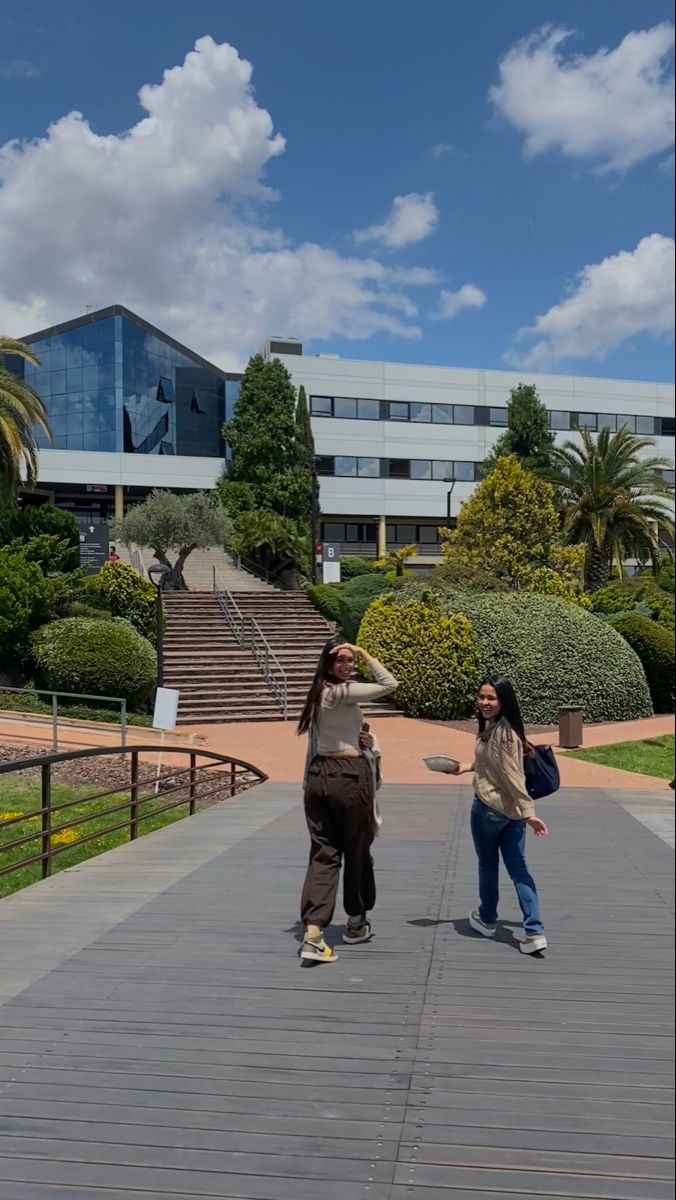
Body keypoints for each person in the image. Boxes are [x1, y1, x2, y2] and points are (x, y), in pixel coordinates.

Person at [297, 639, 398, 963]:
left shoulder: (317, 694)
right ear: (327, 662)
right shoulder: (339, 692)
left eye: (351, 660)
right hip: (348, 777)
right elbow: (389, 684)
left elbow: (324, 738)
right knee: (356, 851)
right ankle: (356, 922)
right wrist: (367, 653)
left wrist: (364, 739)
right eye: (342, 660)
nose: (349, 665)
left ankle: (313, 933)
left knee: (324, 855)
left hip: (319, 777)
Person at [452, 675, 549, 956]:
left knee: (488, 865)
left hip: (490, 810)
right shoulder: (498, 728)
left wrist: (530, 813)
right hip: (513, 815)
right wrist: (466, 767)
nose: (484, 702)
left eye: (491, 698)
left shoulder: (503, 734)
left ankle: (488, 918)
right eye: (482, 697)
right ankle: (534, 931)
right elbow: (492, 765)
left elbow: (513, 776)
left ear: (503, 700)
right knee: (518, 868)